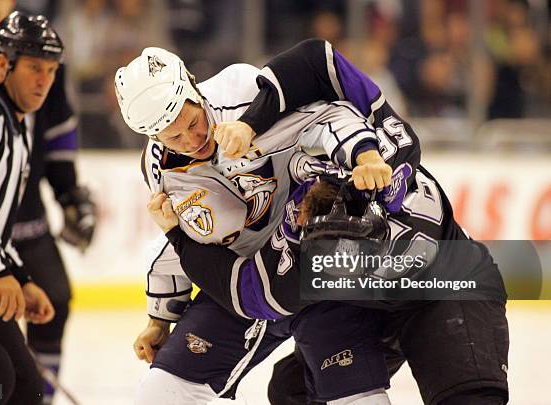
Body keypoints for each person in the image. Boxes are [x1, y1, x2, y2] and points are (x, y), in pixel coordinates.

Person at [205, 38, 510, 405]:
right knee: (293, 391)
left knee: (468, 396)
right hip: (369, 306)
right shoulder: (293, 233)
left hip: (447, 291)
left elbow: (317, 60)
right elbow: (246, 292)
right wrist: (176, 231)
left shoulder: (394, 178)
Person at [0, 2, 97, 402]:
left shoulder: (18, 127)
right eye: (33, 68)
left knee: (25, 383)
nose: (44, 81)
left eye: (51, 70)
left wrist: (21, 279)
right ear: (3, 65)